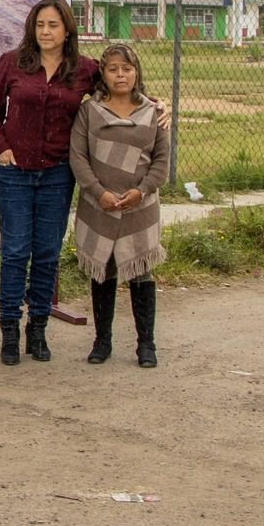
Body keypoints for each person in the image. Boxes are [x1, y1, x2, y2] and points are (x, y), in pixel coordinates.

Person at [0, 0, 97, 365]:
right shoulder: (12, 63)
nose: (46, 32)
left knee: (47, 253)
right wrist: (0, 146)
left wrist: (154, 106)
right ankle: (10, 330)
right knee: (15, 252)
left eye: (53, 25)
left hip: (57, 173)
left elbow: (120, 92)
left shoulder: (84, 70)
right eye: (40, 25)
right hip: (14, 172)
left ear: (67, 30)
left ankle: (38, 328)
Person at [69, 42, 170, 368]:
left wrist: (141, 191)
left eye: (126, 68)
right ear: (103, 74)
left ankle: (147, 344)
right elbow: (78, 157)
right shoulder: (89, 111)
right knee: (104, 270)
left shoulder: (153, 112)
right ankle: (102, 342)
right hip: (99, 204)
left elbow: (161, 161)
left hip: (140, 206)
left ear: (136, 72)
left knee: (141, 271)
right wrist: (99, 192)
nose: (120, 75)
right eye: (113, 69)